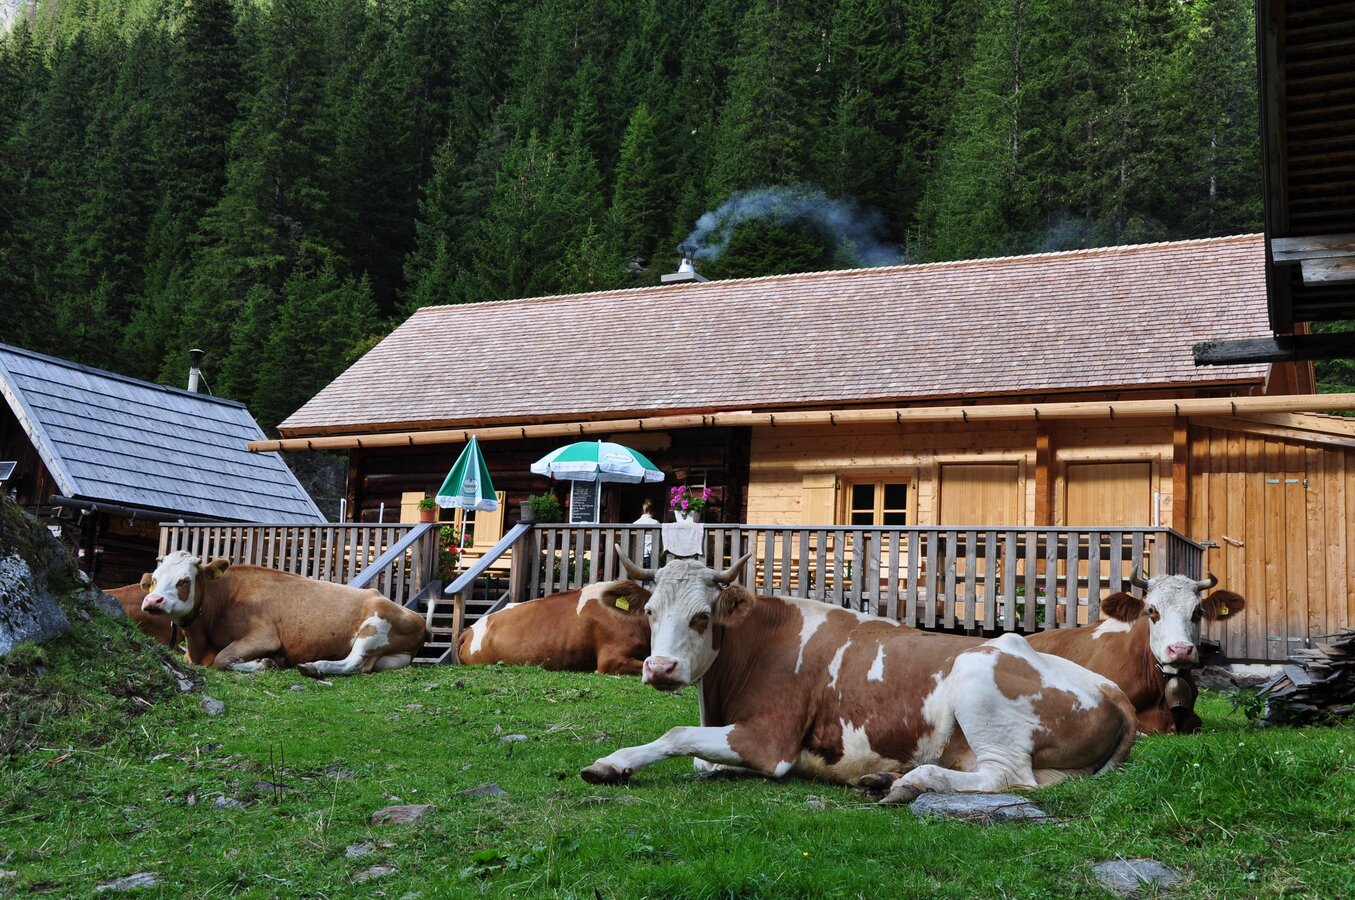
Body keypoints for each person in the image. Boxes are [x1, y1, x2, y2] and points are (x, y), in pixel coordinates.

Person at [633, 499, 659, 566]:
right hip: (651, 556)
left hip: (638, 556)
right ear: (653, 512)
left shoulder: (635, 524)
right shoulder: (656, 523)